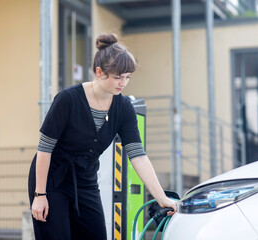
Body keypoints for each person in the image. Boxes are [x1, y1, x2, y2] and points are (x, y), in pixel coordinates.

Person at [28, 33, 178, 240]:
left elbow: (138, 155)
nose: (123, 83)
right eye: (118, 77)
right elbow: (44, 149)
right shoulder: (67, 100)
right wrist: (40, 195)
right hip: (52, 180)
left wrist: (161, 198)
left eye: (127, 77)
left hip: (86, 181)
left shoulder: (124, 108)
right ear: (99, 72)